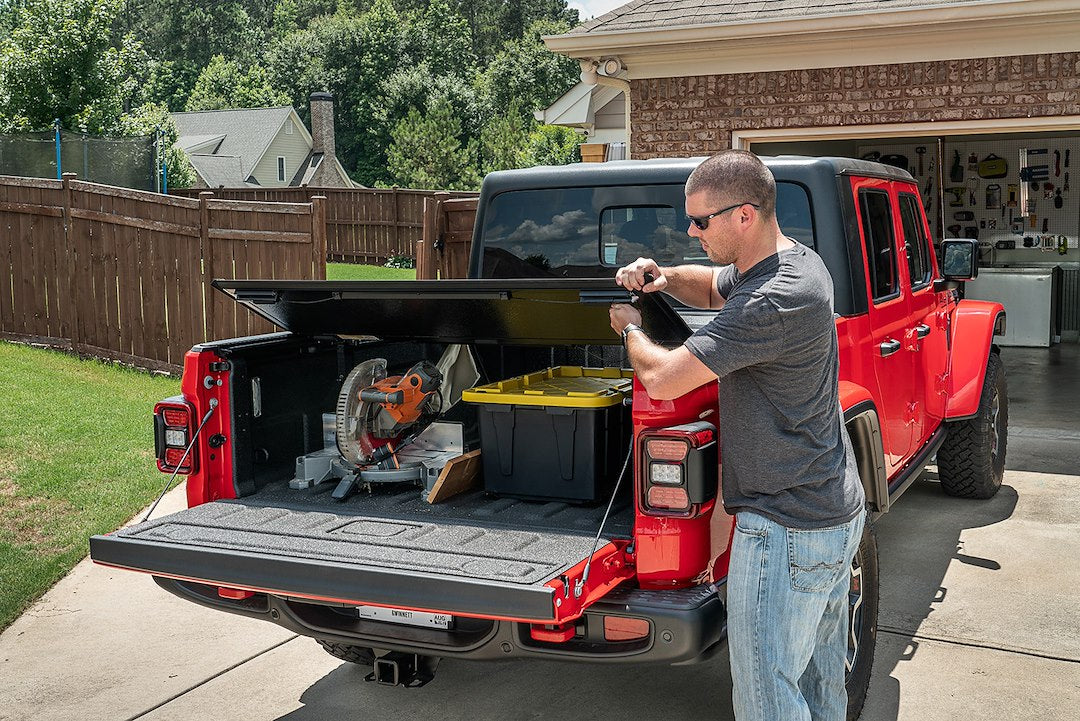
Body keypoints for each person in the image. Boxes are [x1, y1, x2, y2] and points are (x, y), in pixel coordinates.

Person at [609, 150, 866, 721]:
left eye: (700, 221)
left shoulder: (773, 299)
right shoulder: (791, 262)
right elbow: (710, 288)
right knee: (821, 690)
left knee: (768, 701)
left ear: (744, 215)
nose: (690, 230)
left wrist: (631, 328)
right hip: (825, 514)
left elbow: (664, 377)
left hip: (786, 530)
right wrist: (664, 276)